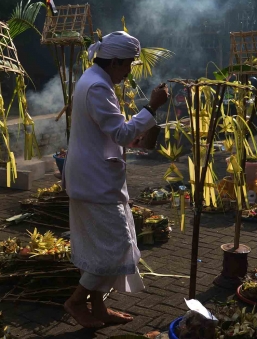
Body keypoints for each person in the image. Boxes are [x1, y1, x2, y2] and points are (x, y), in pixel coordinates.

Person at [63, 31, 170, 328]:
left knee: (103, 248)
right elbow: (120, 132)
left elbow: (111, 133)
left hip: (94, 179)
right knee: (116, 246)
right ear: (114, 62)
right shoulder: (97, 86)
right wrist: (152, 107)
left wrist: (134, 137)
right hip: (94, 183)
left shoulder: (95, 78)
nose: (128, 72)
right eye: (128, 66)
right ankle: (76, 301)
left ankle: (98, 306)